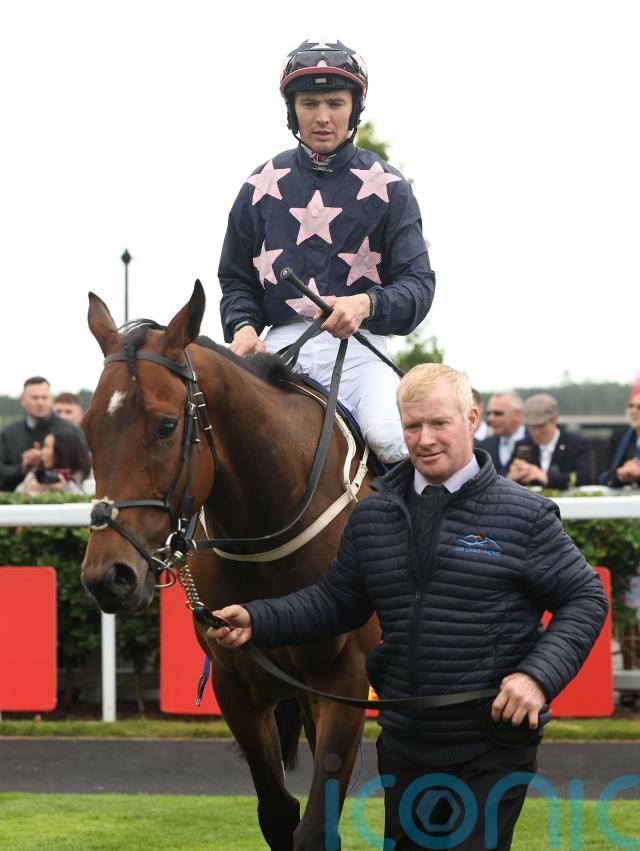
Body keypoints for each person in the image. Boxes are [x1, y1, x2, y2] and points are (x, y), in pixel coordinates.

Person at [209, 363, 608, 850]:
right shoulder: (372, 516)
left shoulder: (525, 515)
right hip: (404, 744)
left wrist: (536, 678)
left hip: (491, 743)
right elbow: (335, 603)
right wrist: (257, 619)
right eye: (413, 425)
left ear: (471, 419)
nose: (425, 439)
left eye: (439, 423)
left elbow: (585, 598)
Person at [218, 39, 435, 463]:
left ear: (354, 110)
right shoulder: (260, 184)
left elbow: (419, 286)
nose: (322, 116)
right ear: (292, 110)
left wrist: (366, 304)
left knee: (390, 438)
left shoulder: (390, 187)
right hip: (280, 344)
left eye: (335, 103)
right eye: (309, 103)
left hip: (359, 348)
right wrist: (242, 327)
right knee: (226, 441)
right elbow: (236, 278)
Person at [0, 377, 85, 491]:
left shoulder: (70, 430)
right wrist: (22, 467)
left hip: (65, 496)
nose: (40, 403)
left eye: (44, 398)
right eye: (35, 398)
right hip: (15, 498)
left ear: (51, 400)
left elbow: (84, 465)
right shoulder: (8, 433)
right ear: (23, 401)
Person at [508, 393, 593, 489]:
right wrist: (511, 476)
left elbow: (584, 477)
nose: (536, 432)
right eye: (531, 427)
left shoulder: (576, 444)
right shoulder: (522, 445)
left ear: (554, 420)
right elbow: (502, 474)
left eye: (541, 426)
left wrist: (545, 477)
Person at [15, 427, 92, 494]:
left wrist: (66, 487)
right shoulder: (38, 473)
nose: (42, 452)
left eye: (47, 447)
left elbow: (90, 500)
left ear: (61, 451)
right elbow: (15, 496)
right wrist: (29, 489)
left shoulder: (86, 473)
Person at [598, 381, 640, 488]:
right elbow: (602, 477)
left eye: (639, 407)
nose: (633, 411)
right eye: (631, 406)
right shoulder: (619, 438)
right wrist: (620, 475)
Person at [475, 392, 525, 475]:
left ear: (517, 414)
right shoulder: (482, 448)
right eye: (488, 413)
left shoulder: (537, 442)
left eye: (498, 413)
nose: (491, 418)